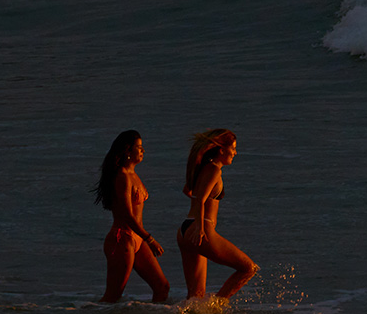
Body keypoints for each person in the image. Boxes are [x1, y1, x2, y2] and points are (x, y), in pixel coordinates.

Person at [178, 128, 256, 301]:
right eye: (233, 148)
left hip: (185, 229)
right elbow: (199, 199)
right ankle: (217, 306)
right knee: (248, 268)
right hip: (201, 228)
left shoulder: (203, 168)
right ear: (222, 150)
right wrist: (200, 227)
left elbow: (188, 191)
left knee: (195, 297)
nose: (235, 153)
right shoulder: (214, 170)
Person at [95, 130, 169, 303]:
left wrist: (143, 239)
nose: (143, 151)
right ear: (128, 151)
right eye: (139, 147)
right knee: (113, 296)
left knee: (162, 287)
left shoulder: (133, 175)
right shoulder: (122, 177)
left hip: (137, 240)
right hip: (122, 239)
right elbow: (128, 215)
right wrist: (149, 239)